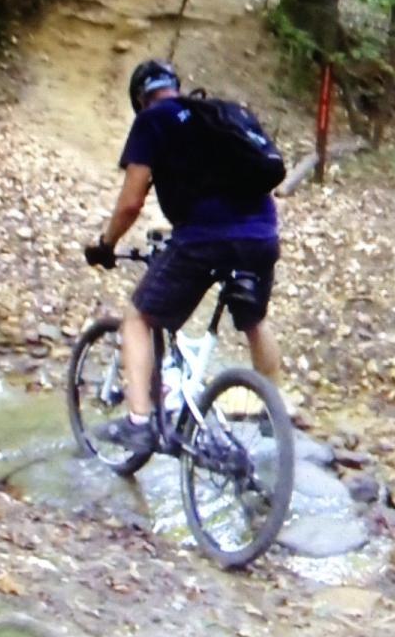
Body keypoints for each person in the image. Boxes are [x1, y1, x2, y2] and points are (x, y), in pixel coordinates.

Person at [84, 59, 282, 453]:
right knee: (253, 319)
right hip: (261, 234)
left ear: (140, 99)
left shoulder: (152, 121)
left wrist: (106, 244)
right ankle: (276, 416)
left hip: (205, 238)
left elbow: (131, 202)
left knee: (138, 317)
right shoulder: (221, 115)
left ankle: (139, 423)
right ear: (176, 86)